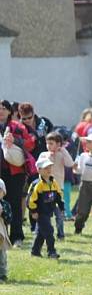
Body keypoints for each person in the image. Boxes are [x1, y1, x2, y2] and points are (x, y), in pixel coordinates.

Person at [1, 99, 35, 247]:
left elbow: (30, 144)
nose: (1, 111)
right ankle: (3, 235)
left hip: (15, 172)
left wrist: (15, 141)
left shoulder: (18, 127)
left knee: (14, 203)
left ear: (10, 111)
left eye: (3, 108)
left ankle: (17, 237)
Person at [27, 157, 64, 259]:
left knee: (41, 233)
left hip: (49, 212)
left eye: (50, 167)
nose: (48, 169)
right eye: (45, 168)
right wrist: (33, 211)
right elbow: (30, 200)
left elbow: (58, 196)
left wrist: (61, 207)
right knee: (49, 231)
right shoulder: (37, 184)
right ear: (39, 170)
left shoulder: (53, 182)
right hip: (40, 213)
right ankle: (51, 252)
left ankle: (35, 251)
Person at [40, 132, 74, 239]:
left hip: (58, 189)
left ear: (58, 144)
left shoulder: (61, 154)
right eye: (47, 143)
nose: (48, 146)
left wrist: (63, 150)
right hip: (45, 189)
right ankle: (44, 232)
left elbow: (70, 163)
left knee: (59, 214)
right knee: (45, 213)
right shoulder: (44, 155)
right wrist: (49, 157)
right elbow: (39, 167)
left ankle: (60, 234)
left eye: (51, 143)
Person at [0, 178, 11, 281]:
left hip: (1, 232)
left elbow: (9, 219)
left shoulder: (5, 205)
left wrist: (3, 213)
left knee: (2, 254)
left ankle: (2, 273)